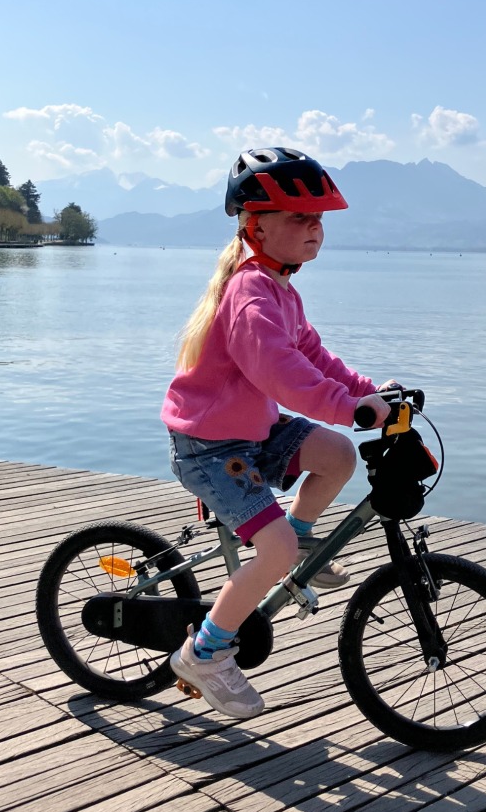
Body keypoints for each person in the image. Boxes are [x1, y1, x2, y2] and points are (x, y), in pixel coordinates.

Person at [161, 147, 393, 719]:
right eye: (299, 217)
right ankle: (204, 653)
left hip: (253, 435)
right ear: (255, 225)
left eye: (318, 219)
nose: (314, 228)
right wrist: (348, 406)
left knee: (337, 454)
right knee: (276, 546)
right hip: (211, 447)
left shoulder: (282, 288)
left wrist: (368, 393)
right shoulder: (248, 294)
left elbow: (312, 355)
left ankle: (294, 542)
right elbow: (280, 374)